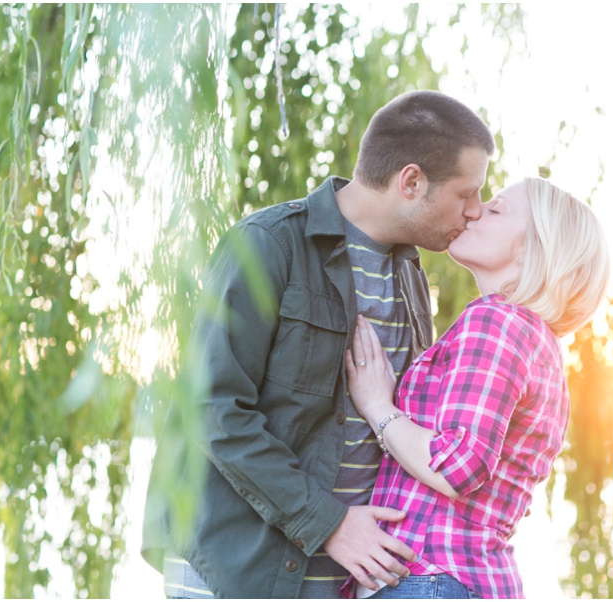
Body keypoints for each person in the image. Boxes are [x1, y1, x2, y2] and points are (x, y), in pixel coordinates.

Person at [140, 90, 495, 599]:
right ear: (411, 181)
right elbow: (211, 407)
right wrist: (330, 523)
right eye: (467, 194)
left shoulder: (413, 277)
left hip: (340, 578)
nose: (477, 211)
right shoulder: (268, 243)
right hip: (237, 567)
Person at [342, 177, 611, 599]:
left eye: (497, 209)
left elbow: (459, 466)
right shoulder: (540, 346)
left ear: (531, 251)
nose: (475, 210)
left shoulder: (496, 322)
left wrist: (378, 406)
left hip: (428, 579)